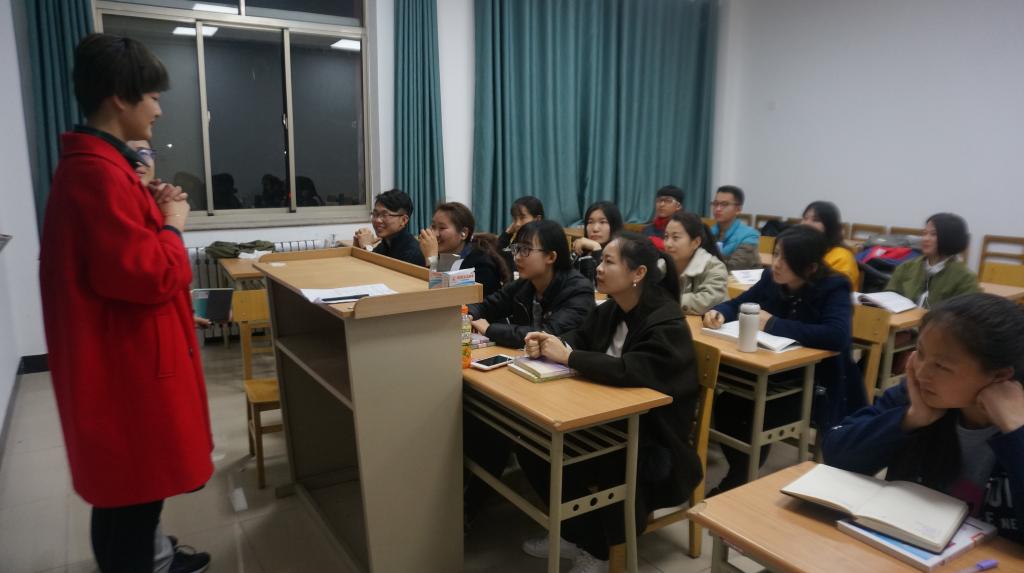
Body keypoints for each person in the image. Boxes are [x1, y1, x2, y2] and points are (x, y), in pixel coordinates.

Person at [39, 33, 212, 573]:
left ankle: (156, 557)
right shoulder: (97, 175)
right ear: (120, 96)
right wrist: (173, 223)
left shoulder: (104, 168)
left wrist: (150, 204)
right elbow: (154, 274)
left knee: (124, 495)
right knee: (133, 498)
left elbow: (120, 260)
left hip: (122, 356)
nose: (158, 110)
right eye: (153, 97)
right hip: (126, 370)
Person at [518, 233, 702, 572]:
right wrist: (548, 342)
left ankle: (598, 550)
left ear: (638, 273)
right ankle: (576, 532)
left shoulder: (667, 322)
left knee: (589, 456)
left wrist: (569, 357)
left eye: (608, 262)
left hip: (653, 437)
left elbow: (631, 370)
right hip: (607, 419)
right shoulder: (612, 308)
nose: (599, 269)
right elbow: (581, 338)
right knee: (531, 442)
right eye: (600, 260)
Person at [824, 293, 1023, 545]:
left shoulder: (1017, 424)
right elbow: (836, 453)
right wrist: (910, 419)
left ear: (999, 376)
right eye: (920, 352)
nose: (921, 372)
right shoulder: (915, 395)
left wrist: (1017, 432)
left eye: (941, 366)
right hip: (907, 546)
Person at [703, 225, 865, 493]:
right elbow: (740, 303)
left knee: (754, 413)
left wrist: (774, 324)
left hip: (816, 383)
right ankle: (741, 475)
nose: (776, 263)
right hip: (772, 373)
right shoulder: (771, 278)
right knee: (727, 404)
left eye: (786, 259)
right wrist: (718, 312)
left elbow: (836, 336)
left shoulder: (834, 286)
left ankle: (738, 480)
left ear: (811, 268)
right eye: (776, 254)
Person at [467, 220, 594, 348]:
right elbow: (488, 306)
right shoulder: (525, 284)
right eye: (516, 248)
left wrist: (490, 329)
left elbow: (547, 334)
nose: (517, 257)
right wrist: (468, 315)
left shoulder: (579, 291)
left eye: (525, 249)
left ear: (551, 257)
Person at [886, 213, 979, 308]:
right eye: (924, 233)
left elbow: (967, 313)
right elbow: (888, 298)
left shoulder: (965, 278)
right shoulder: (906, 267)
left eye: (933, 234)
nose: (925, 239)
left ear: (950, 238)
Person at [419, 202, 509, 296]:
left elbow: (442, 295)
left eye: (442, 228)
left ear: (464, 233)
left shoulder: (482, 265)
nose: (435, 234)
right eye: (433, 226)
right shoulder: (439, 254)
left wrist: (431, 260)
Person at [663, 211, 728, 315]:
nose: (668, 244)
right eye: (666, 237)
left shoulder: (715, 267)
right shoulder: (661, 266)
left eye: (675, 238)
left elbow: (706, 301)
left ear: (696, 242)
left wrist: (663, 301)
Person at [353, 189, 425, 266]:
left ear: (403, 220)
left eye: (384, 215)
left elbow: (377, 271)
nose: (377, 220)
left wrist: (367, 247)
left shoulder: (413, 253)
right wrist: (358, 248)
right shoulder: (384, 244)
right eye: (375, 214)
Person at [800, 201, 859, 288]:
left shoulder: (842, 257)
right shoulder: (803, 249)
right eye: (805, 218)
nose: (806, 223)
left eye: (816, 220)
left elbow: (836, 290)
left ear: (829, 226)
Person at [572, 201, 624, 287]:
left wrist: (596, 249)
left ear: (614, 225)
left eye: (602, 222)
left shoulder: (622, 254)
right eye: (590, 222)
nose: (595, 229)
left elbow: (601, 285)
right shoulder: (580, 251)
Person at [709, 185, 760, 270]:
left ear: (738, 209)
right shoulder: (710, 231)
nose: (718, 209)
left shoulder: (750, 235)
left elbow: (735, 266)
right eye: (715, 204)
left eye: (724, 204)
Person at [497, 196, 545, 271]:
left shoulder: (544, 241)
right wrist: (508, 233)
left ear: (537, 219)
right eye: (515, 219)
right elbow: (498, 255)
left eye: (522, 218)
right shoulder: (519, 239)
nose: (517, 224)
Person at [642, 185, 685, 250]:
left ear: (678, 206)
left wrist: (662, 244)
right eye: (659, 200)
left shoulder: (684, 229)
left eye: (668, 201)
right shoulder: (647, 230)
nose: (661, 204)